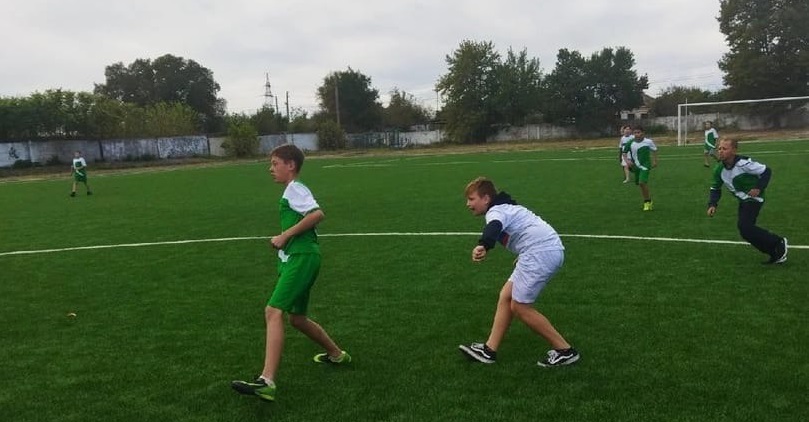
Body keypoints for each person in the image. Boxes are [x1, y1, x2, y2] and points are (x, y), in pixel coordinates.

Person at [232, 144, 351, 402]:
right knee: (297, 319)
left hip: (302, 257)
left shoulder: (295, 188)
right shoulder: (291, 190)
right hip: (297, 258)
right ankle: (336, 354)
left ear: (291, 165)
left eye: (275, 163)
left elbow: (317, 214)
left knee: (272, 311)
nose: (270, 169)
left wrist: (284, 236)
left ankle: (266, 382)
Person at [458, 177, 579, 368]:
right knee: (506, 296)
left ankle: (565, 351)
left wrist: (483, 245)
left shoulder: (496, 211)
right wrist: (525, 253)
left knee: (520, 306)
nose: (468, 204)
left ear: (486, 198)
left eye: (472, 199)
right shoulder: (506, 207)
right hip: (542, 251)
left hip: (539, 253)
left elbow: (494, 227)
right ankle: (489, 350)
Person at [707, 138, 788, 264]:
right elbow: (715, 188)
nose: (720, 151)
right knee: (745, 231)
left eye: (725, 148)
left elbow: (766, 171)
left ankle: (778, 242)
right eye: (719, 149)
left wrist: (758, 188)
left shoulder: (744, 163)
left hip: (754, 198)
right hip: (743, 200)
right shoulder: (719, 170)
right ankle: (775, 253)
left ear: (734, 150)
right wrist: (712, 204)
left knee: (745, 226)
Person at [622, 126, 658, 211]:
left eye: (638, 132)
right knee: (640, 184)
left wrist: (655, 161)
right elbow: (624, 153)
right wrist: (627, 161)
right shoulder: (630, 143)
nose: (636, 134)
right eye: (635, 133)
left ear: (643, 133)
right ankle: (648, 199)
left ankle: (647, 202)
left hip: (645, 165)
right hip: (636, 166)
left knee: (642, 182)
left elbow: (654, 150)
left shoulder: (648, 142)